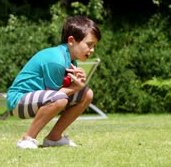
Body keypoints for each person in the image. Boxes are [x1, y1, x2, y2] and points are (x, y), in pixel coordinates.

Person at [6, 16, 101, 149]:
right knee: (59, 99)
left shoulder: (70, 59)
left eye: (94, 46)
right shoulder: (57, 60)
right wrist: (75, 87)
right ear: (71, 40)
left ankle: (54, 138)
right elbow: (56, 96)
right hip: (17, 101)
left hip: (37, 99)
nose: (92, 50)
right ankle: (27, 139)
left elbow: (58, 93)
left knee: (87, 94)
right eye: (89, 44)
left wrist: (78, 85)